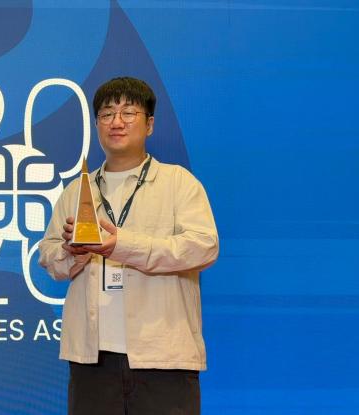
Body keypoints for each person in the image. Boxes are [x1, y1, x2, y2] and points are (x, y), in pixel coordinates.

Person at [38, 77, 219, 415]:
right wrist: (73, 252)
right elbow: (49, 258)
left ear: (149, 124)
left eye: (128, 113)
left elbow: (203, 247)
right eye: (107, 114)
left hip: (163, 357)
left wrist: (121, 245)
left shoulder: (179, 183)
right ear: (97, 125)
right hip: (91, 360)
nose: (116, 122)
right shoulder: (77, 190)